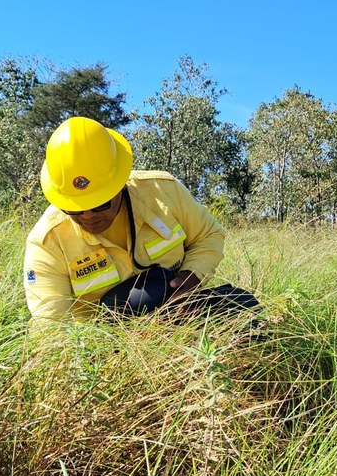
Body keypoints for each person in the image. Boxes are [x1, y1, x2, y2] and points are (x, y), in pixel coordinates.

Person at [23, 116, 258, 322]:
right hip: (106, 345)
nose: (87, 216)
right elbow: (51, 325)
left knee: (243, 308)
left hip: (180, 312)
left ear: (119, 184)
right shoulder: (46, 242)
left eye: (99, 204)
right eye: (72, 209)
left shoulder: (164, 192)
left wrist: (192, 276)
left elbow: (209, 235)